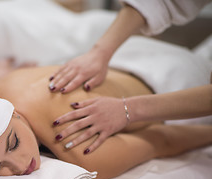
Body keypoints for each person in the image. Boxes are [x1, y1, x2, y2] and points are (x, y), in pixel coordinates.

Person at [0, 66, 212, 179]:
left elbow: (163, 140)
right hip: (123, 62)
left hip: (175, 79)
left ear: (16, 114)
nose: (20, 165)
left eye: (13, 143)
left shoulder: (78, 145)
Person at [49, 0, 212, 152]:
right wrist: (100, 51)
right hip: (140, 56)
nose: (22, 167)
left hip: (179, 78)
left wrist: (128, 110)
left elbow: (162, 142)